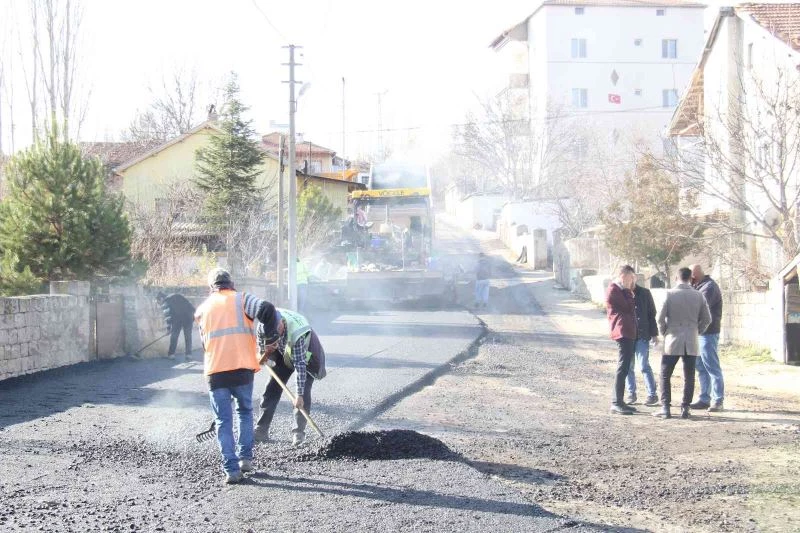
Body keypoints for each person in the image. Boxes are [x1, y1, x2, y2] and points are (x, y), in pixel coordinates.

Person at [194, 268, 276, 484]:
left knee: (223, 420)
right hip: (242, 368)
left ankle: (231, 470)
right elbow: (268, 310)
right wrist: (269, 341)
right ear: (231, 283)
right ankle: (245, 459)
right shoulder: (242, 299)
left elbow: (205, 344)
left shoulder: (202, 309)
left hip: (216, 371)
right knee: (245, 413)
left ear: (211, 287)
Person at [254, 307, 326, 446]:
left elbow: (300, 366)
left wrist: (298, 395)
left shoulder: (297, 332)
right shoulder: (262, 325)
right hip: (283, 353)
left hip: (306, 354)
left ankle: (298, 433)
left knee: (303, 393)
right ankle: (261, 430)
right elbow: (261, 352)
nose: (273, 338)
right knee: (271, 388)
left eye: (275, 335)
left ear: (281, 324)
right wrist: (265, 354)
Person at [654, 267, 711, 419]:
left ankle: (665, 407)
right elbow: (707, 319)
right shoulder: (699, 296)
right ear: (690, 278)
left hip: (673, 338)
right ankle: (685, 408)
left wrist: (665, 331)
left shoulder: (669, 294)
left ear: (676, 278)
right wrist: (697, 330)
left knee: (665, 374)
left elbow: (660, 318)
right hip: (691, 339)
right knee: (689, 376)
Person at [689, 264, 725, 412]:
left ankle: (718, 400)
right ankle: (704, 398)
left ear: (694, 276)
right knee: (701, 367)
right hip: (698, 333)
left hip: (708, 333)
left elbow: (698, 308)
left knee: (712, 367)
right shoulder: (699, 286)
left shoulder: (709, 288)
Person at [605, 265, 638, 415]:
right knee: (622, 367)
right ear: (624, 276)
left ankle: (620, 400)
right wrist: (628, 290)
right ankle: (616, 402)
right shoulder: (615, 289)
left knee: (626, 368)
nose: (632, 281)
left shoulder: (622, 290)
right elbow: (628, 307)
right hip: (622, 331)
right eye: (631, 277)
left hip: (629, 331)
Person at [625, 281, 660, 406]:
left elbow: (652, 315)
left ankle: (652, 394)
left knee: (644, 365)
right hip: (627, 335)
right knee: (628, 366)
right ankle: (631, 393)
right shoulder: (622, 293)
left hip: (642, 335)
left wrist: (654, 334)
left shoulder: (645, 293)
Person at [156, 291, 195, 361]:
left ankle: (171, 354)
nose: (159, 304)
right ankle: (188, 355)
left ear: (161, 298)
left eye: (159, 302)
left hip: (178, 319)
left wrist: (168, 329)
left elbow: (168, 317)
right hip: (188, 317)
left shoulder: (165, 302)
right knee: (188, 336)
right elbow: (190, 306)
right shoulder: (175, 295)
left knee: (174, 336)